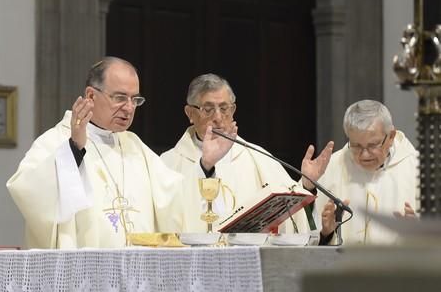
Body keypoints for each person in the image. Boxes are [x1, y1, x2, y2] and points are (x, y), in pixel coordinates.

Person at [7, 57, 232, 292]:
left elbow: (176, 205)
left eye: (135, 99)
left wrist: (204, 167)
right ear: (90, 95)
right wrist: (75, 149)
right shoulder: (57, 141)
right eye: (119, 97)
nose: (129, 108)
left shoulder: (135, 147)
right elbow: (27, 191)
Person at [161, 73, 334, 235]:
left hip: (248, 263)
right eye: (208, 109)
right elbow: (165, 220)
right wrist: (205, 167)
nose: (218, 117)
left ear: (233, 110)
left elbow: (290, 216)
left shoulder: (259, 159)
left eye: (224, 108)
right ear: (190, 113)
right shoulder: (167, 164)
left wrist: (306, 186)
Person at [318, 99, 418, 245]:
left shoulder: (417, 167)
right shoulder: (333, 166)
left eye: (372, 145)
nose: (364, 155)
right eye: (356, 146)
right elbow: (307, 231)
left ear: (391, 136)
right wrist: (327, 232)